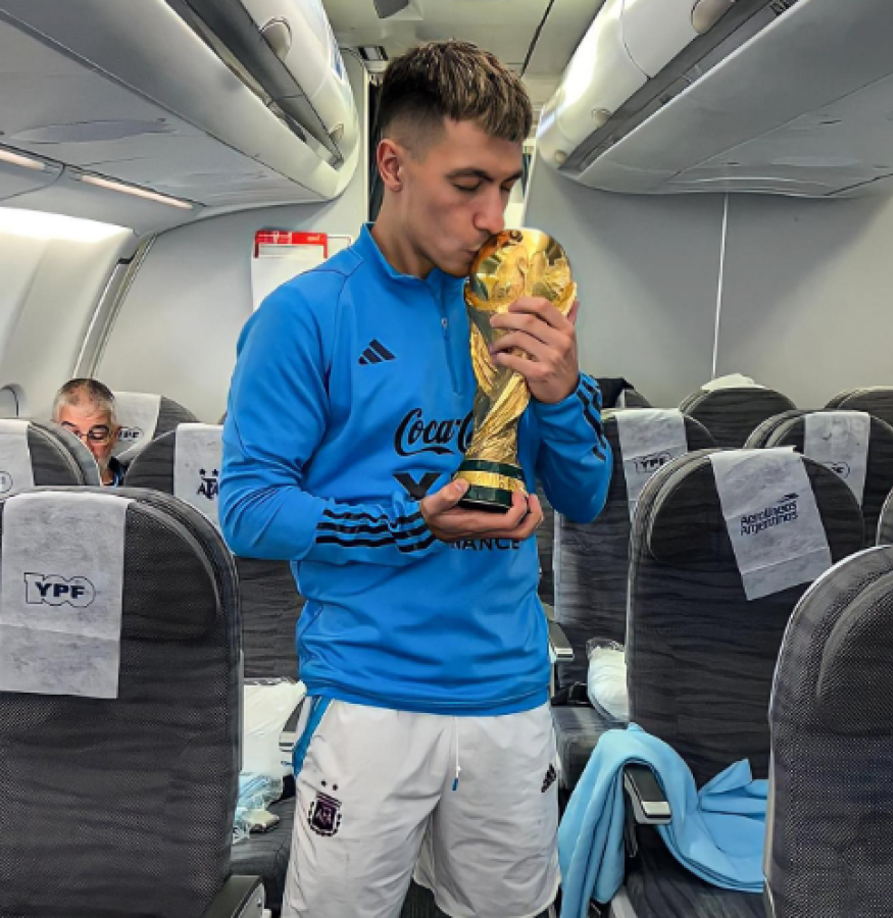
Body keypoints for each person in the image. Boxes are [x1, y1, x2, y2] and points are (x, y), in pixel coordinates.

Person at [220, 41, 612, 918]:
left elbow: (586, 498)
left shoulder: (519, 295)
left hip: (508, 693)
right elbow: (247, 510)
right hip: (367, 695)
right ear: (393, 165)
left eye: (506, 186)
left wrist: (557, 395)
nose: (491, 215)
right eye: (468, 184)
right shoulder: (305, 317)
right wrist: (412, 522)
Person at [52, 378, 124, 486]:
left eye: (97, 435)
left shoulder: (136, 488)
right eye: (71, 435)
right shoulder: (39, 484)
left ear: (114, 436)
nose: (84, 446)